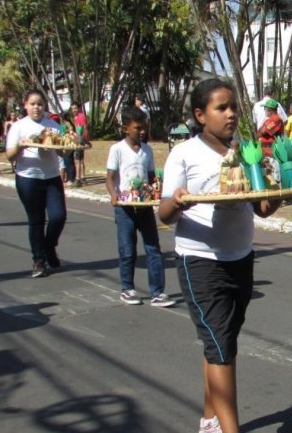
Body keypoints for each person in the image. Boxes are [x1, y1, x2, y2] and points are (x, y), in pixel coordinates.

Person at [158, 78, 281, 433]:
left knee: (222, 342)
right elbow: (164, 215)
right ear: (200, 115)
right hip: (199, 262)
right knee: (221, 346)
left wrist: (276, 189)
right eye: (221, 108)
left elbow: (262, 209)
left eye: (233, 107)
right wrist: (178, 202)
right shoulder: (184, 154)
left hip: (240, 258)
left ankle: (209, 419)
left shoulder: (243, 150)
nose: (230, 114)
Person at [105, 106, 176, 308]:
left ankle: (158, 292)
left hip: (144, 206)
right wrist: (113, 195)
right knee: (127, 250)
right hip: (125, 207)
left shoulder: (147, 150)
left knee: (153, 248)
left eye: (144, 127)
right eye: (138, 128)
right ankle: (127, 288)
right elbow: (110, 178)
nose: (142, 131)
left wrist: (157, 190)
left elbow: (152, 176)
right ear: (126, 128)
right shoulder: (117, 149)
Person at [5, 89, 67, 278]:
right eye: (32, 104)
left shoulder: (53, 125)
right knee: (36, 220)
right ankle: (39, 260)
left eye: (40, 104)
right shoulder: (18, 127)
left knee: (58, 216)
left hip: (51, 178)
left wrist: (69, 148)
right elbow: (10, 156)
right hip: (27, 178)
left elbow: (62, 151)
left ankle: (49, 247)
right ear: (25, 105)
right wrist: (21, 146)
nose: (36, 107)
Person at [71, 102, 91, 185]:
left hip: (80, 140)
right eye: (72, 109)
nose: (74, 110)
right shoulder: (76, 117)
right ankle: (83, 178)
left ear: (79, 108)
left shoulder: (81, 116)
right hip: (80, 139)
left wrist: (85, 139)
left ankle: (78, 179)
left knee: (77, 160)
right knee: (81, 160)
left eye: (75, 108)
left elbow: (84, 128)